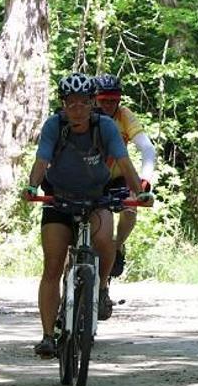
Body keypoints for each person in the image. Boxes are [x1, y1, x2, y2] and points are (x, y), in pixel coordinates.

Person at [24, 73, 150, 359]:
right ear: (63, 104)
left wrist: (139, 192)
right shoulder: (54, 126)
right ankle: (47, 336)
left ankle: (101, 287)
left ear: (92, 103)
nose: (77, 110)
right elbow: (42, 159)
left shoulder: (104, 126)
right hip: (59, 199)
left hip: (96, 198)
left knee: (106, 240)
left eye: (83, 103)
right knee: (53, 267)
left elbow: (124, 162)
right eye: (71, 104)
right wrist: (33, 186)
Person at [93, 73, 156, 280]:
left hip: (116, 177)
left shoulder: (124, 115)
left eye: (114, 100)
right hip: (87, 179)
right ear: (95, 99)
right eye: (104, 101)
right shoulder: (84, 114)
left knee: (130, 208)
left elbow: (147, 148)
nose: (109, 105)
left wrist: (145, 180)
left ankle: (117, 246)